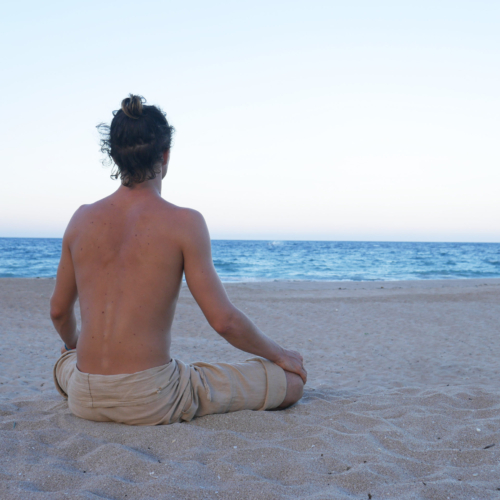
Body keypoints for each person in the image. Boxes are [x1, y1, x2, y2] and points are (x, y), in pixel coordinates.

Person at [50, 95, 307, 425]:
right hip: (151, 398)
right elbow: (223, 320)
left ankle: (74, 365)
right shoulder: (184, 222)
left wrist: (74, 345)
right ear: (166, 155)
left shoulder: (81, 219)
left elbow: (58, 311)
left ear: (113, 155)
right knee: (292, 384)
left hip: (83, 395)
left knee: (63, 363)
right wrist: (280, 355)